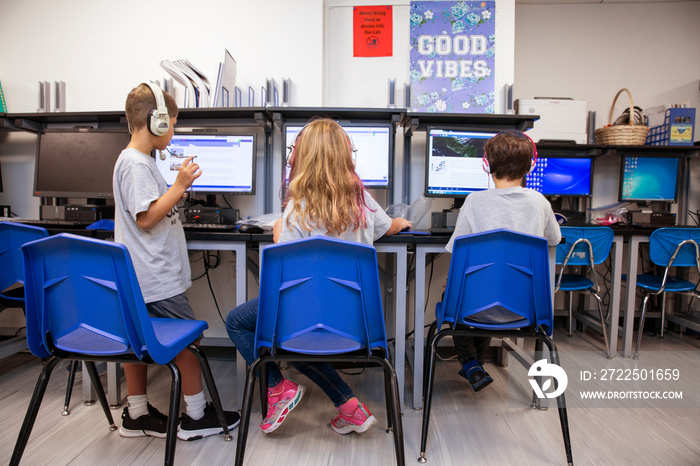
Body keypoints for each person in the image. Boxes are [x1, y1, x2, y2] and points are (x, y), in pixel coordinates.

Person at [225, 118, 411, 435]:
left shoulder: (296, 208)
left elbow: (282, 260)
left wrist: (278, 230)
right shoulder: (363, 201)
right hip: (359, 323)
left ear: (300, 158)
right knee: (295, 330)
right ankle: (349, 407)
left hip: (307, 321)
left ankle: (277, 387)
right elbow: (386, 227)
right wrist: (400, 222)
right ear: (345, 155)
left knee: (242, 322)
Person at [112, 82, 240, 440]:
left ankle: (137, 414)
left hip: (142, 274)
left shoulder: (134, 161)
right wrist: (180, 185)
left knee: (137, 341)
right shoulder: (136, 165)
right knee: (188, 341)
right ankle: (197, 416)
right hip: (154, 275)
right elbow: (147, 218)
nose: (174, 130)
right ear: (156, 122)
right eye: (173, 123)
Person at [444, 130, 561, 392]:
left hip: (476, 310)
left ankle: (470, 362)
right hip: (526, 311)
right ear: (530, 166)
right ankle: (477, 363)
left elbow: (458, 250)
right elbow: (554, 239)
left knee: (464, 295)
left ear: (487, 165)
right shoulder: (539, 202)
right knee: (486, 294)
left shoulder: (474, 202)